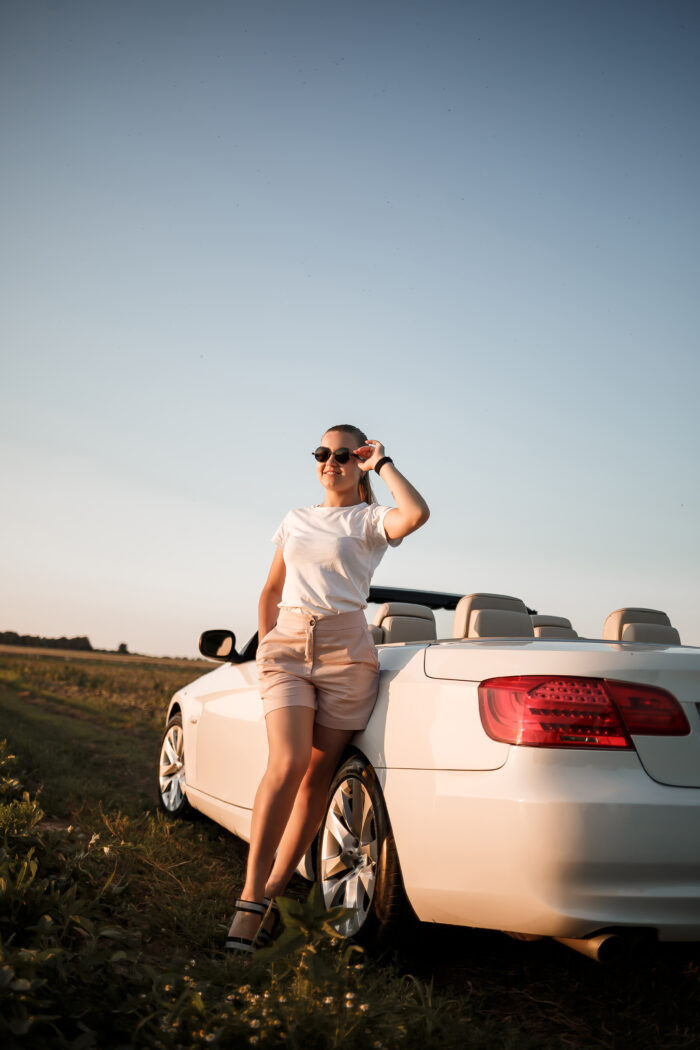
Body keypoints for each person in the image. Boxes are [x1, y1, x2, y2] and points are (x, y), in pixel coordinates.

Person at [225, 424, 429, 953]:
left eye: (343, 454)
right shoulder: (295, 519)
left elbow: (416, 514)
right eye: (322, 452)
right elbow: (271, 589)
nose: (330, 461)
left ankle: (273, 893)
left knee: (317, 778)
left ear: (358, 463)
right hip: (289, 646)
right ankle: (249, 900)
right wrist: (270, 643)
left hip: (348, 653)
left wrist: (383, 463)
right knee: (287, 763)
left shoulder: (369, 521)